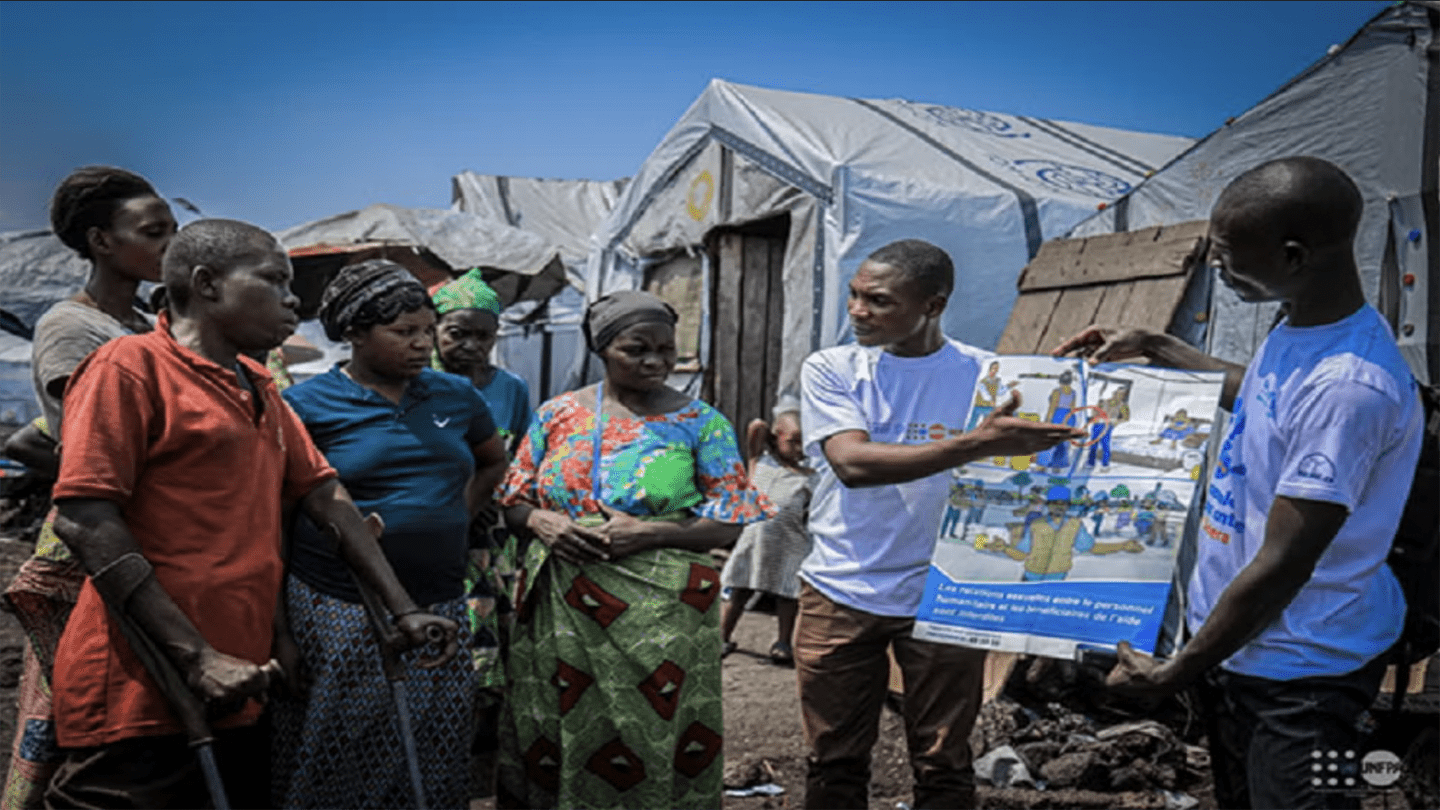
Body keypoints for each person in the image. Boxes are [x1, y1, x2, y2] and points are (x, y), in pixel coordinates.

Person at [44, 220, 459, 809]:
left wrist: (403, 611)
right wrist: (198, 657)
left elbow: (326, 497)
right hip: (145, 685)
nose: (294, 299)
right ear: (207, 283)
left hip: (242, 680)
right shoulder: (128, 367)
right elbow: (84, 518)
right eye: (274, 279)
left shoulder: (260, 384)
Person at [1055, 156, 1424, 810]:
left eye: (1226, 255)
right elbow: (1259, 392)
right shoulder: (1300, 328)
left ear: (1291, 256)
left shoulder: (1348, 388)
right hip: (1245, 653)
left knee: (1309, 800)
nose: (1216, 267)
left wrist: (1180, 668)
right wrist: (1155, 345)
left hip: (1307, 680)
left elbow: (1286, 562)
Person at [796, 238, 1083, 810]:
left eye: (878, 301)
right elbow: (852, 464)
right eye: (854, 295)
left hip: (947, 593)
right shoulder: (834, 368)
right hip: (840, 587)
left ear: (933, 305)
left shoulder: (989, 378)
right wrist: (976, 444)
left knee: (944, 762)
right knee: (834, 760)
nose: (857, 311)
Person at [495, 290, 773, 810]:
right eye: (636, 349)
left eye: (666, 350)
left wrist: (650, 533)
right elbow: (513, 498)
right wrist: (541, 520)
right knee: (557, 722)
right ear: (601, 348)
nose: (655, 362)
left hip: (662, 612)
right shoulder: (558, 415)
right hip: (562, 606)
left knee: (649, 727)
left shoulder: (701, 423)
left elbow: (729, 522)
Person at [270, 260, 509, 809]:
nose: (423, 344)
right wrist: (279, 630)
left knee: (432, 741)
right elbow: (276, 518)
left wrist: (456, 509)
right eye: (404, 333)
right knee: (345, 737)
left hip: (441, 595)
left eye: (427, 330)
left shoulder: (455, 397)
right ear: (354, 333)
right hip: (339, 603)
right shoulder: (306, 407)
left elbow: (492, 461)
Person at [0, 166, 176, 810]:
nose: (170, 245)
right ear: (102, 241)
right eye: (153, 232)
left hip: (149, 528)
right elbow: (88, 451)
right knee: (95, 719)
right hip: (102, 538)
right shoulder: (73, 329)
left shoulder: (145, 322)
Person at [719, 401, 813, 665]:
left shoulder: (809, 477)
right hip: (753, 543)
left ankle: (782, 642)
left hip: (789, 546)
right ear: (776, 438)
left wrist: (789, 435)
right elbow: (756, 427)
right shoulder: (760, 462)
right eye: (794, 441)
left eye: (804, 442)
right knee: (739, 592)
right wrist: (773, 432)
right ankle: (723, 637)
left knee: (786, 597)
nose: (800, 449)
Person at [432, 267, 532, 451]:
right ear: (433, 329)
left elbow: (523, 456)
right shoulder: (415, 386)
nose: (471, 345)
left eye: (483, 336)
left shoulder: (512, 389)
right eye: (457, 334)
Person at [984, 485, 1141, 580]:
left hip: (1057, 580)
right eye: (1054, 503)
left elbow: (1091, 547)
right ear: (1048, 505)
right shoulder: (1036, 525)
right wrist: (1004, 548)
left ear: (1067, 506)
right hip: (1030, 579)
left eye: (1063, 504)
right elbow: (1021, 554)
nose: (1059, 507)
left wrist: (1122, 545)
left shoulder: (1075, 524)